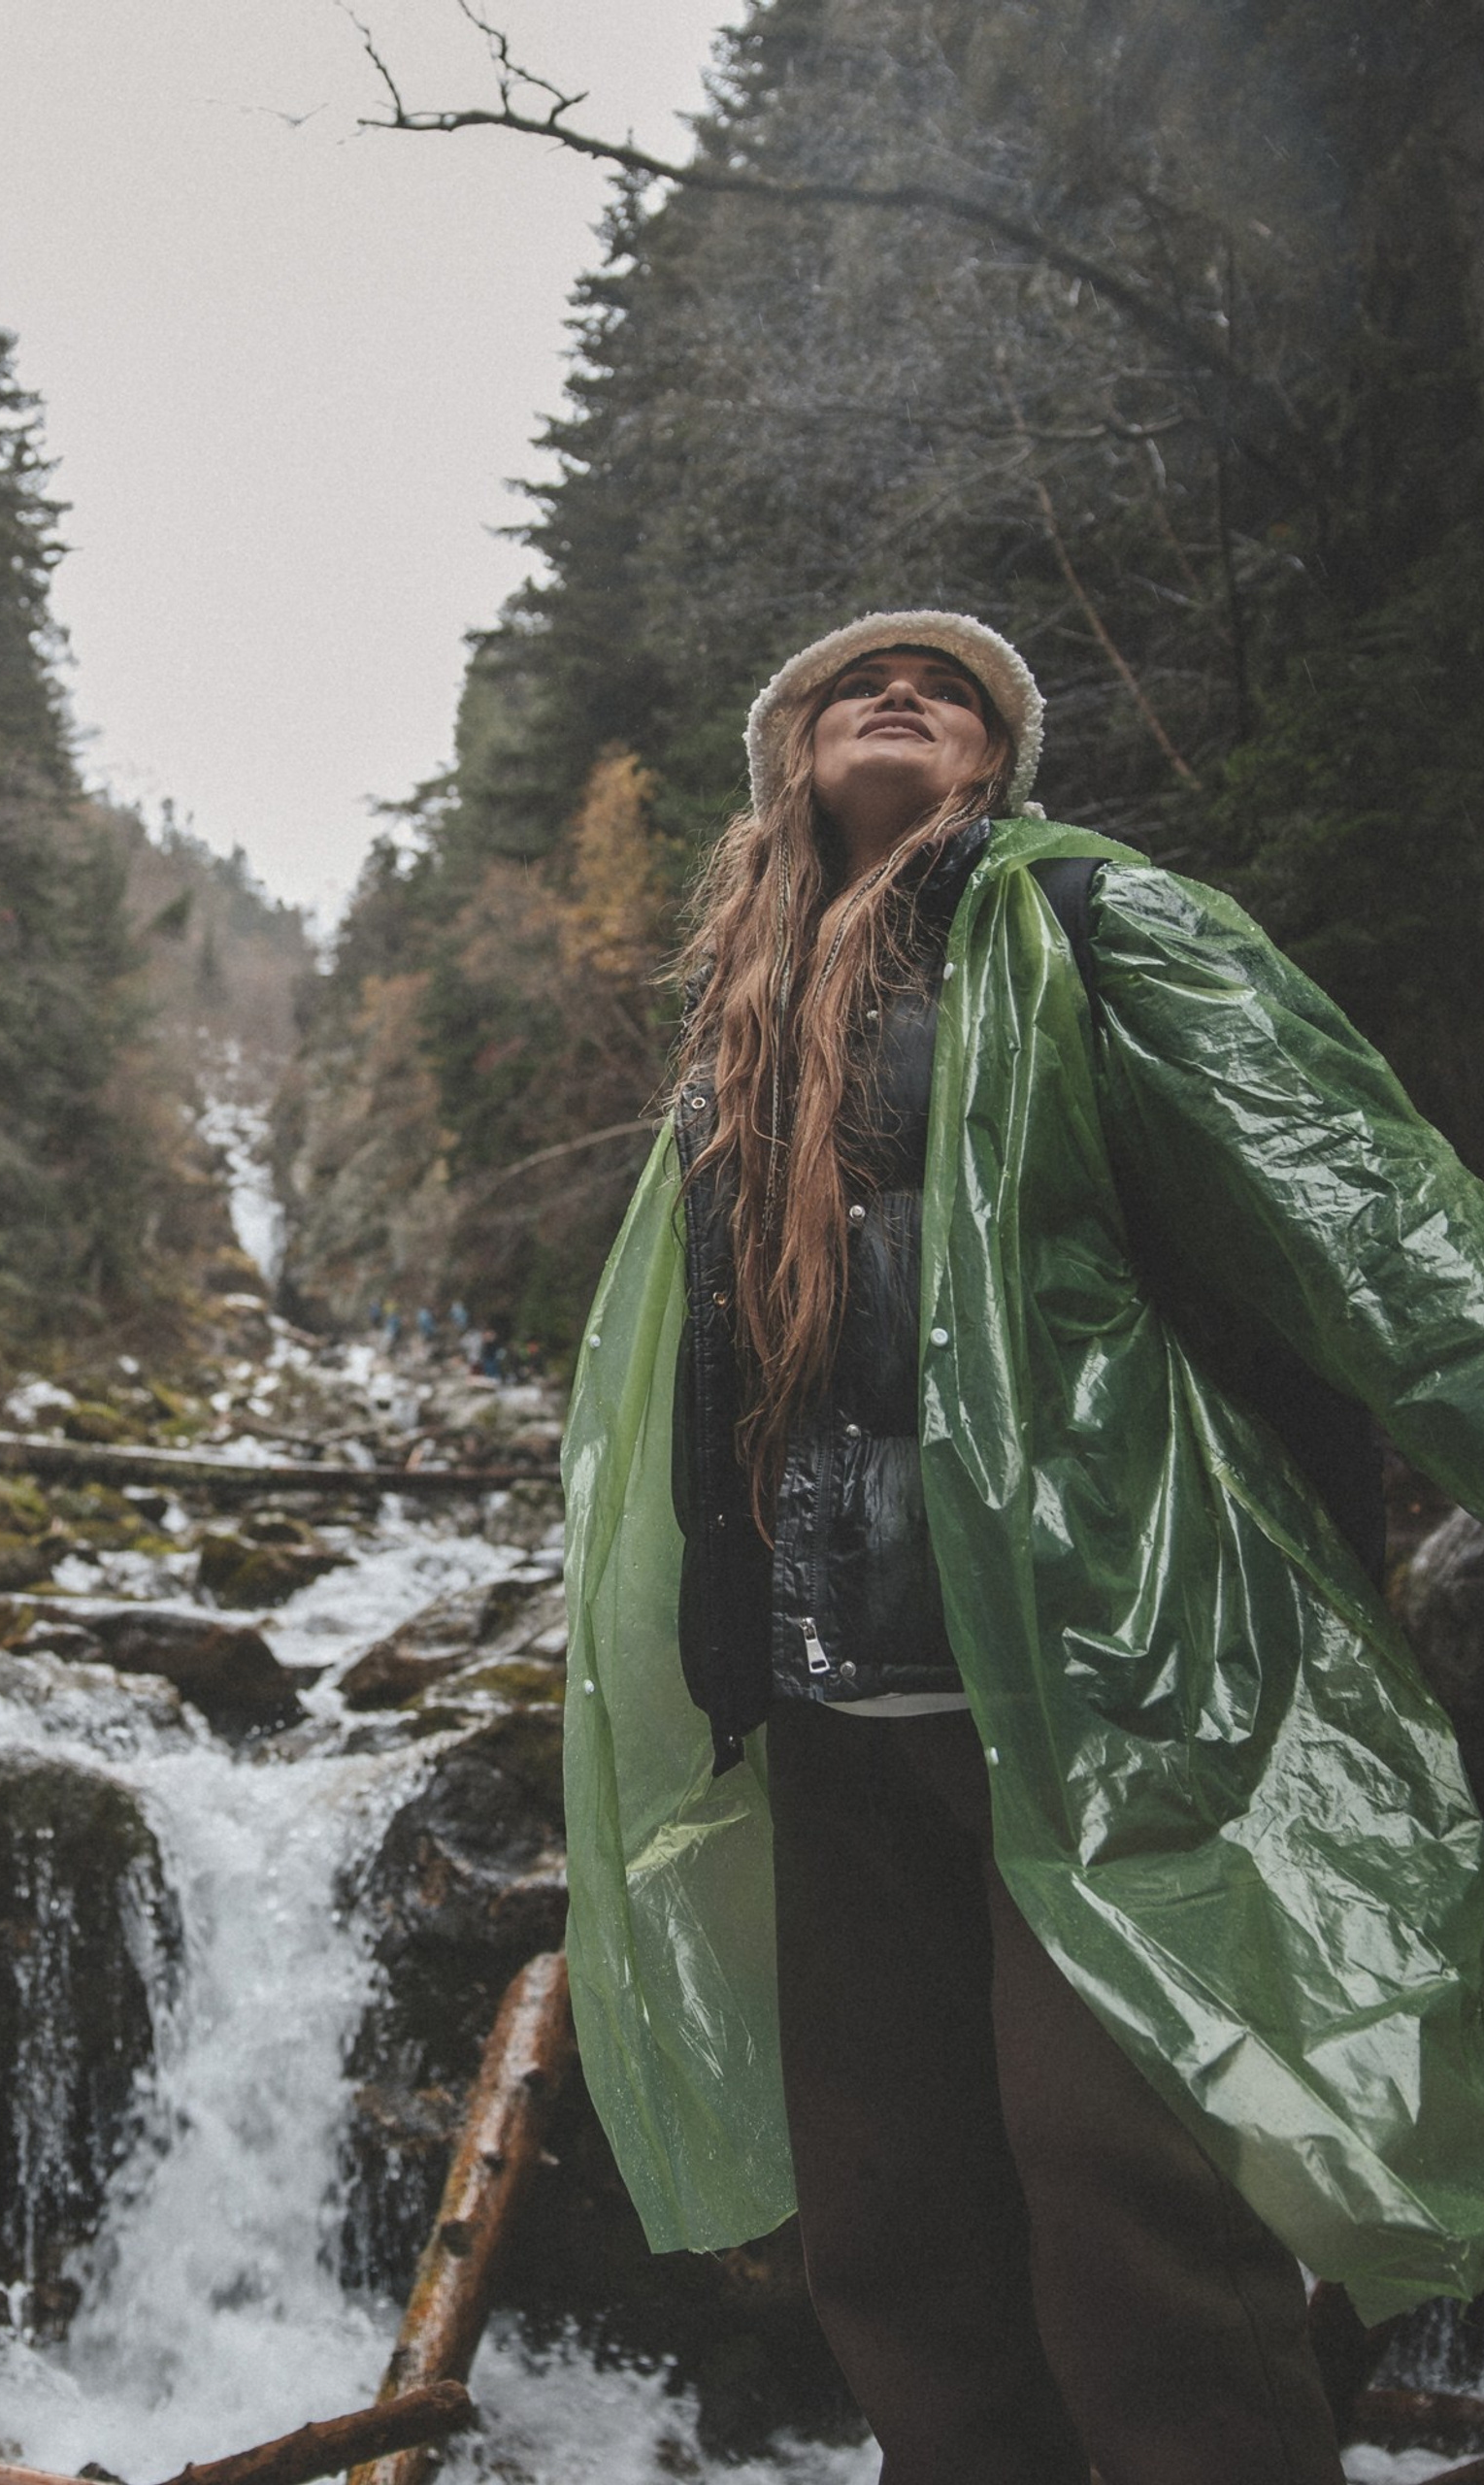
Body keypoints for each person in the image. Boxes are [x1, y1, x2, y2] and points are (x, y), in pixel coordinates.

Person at [561, 609, 1484, 2482]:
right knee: (901, 2242)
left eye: (954, 689)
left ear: (996, 764)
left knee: (1139, 2209)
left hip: (1098, 1679)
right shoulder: (734, 1034)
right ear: (786, 759)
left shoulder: (1090, 925)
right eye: (855, 681)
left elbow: (1361, 1215)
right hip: (836, 1714)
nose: (906, 691)